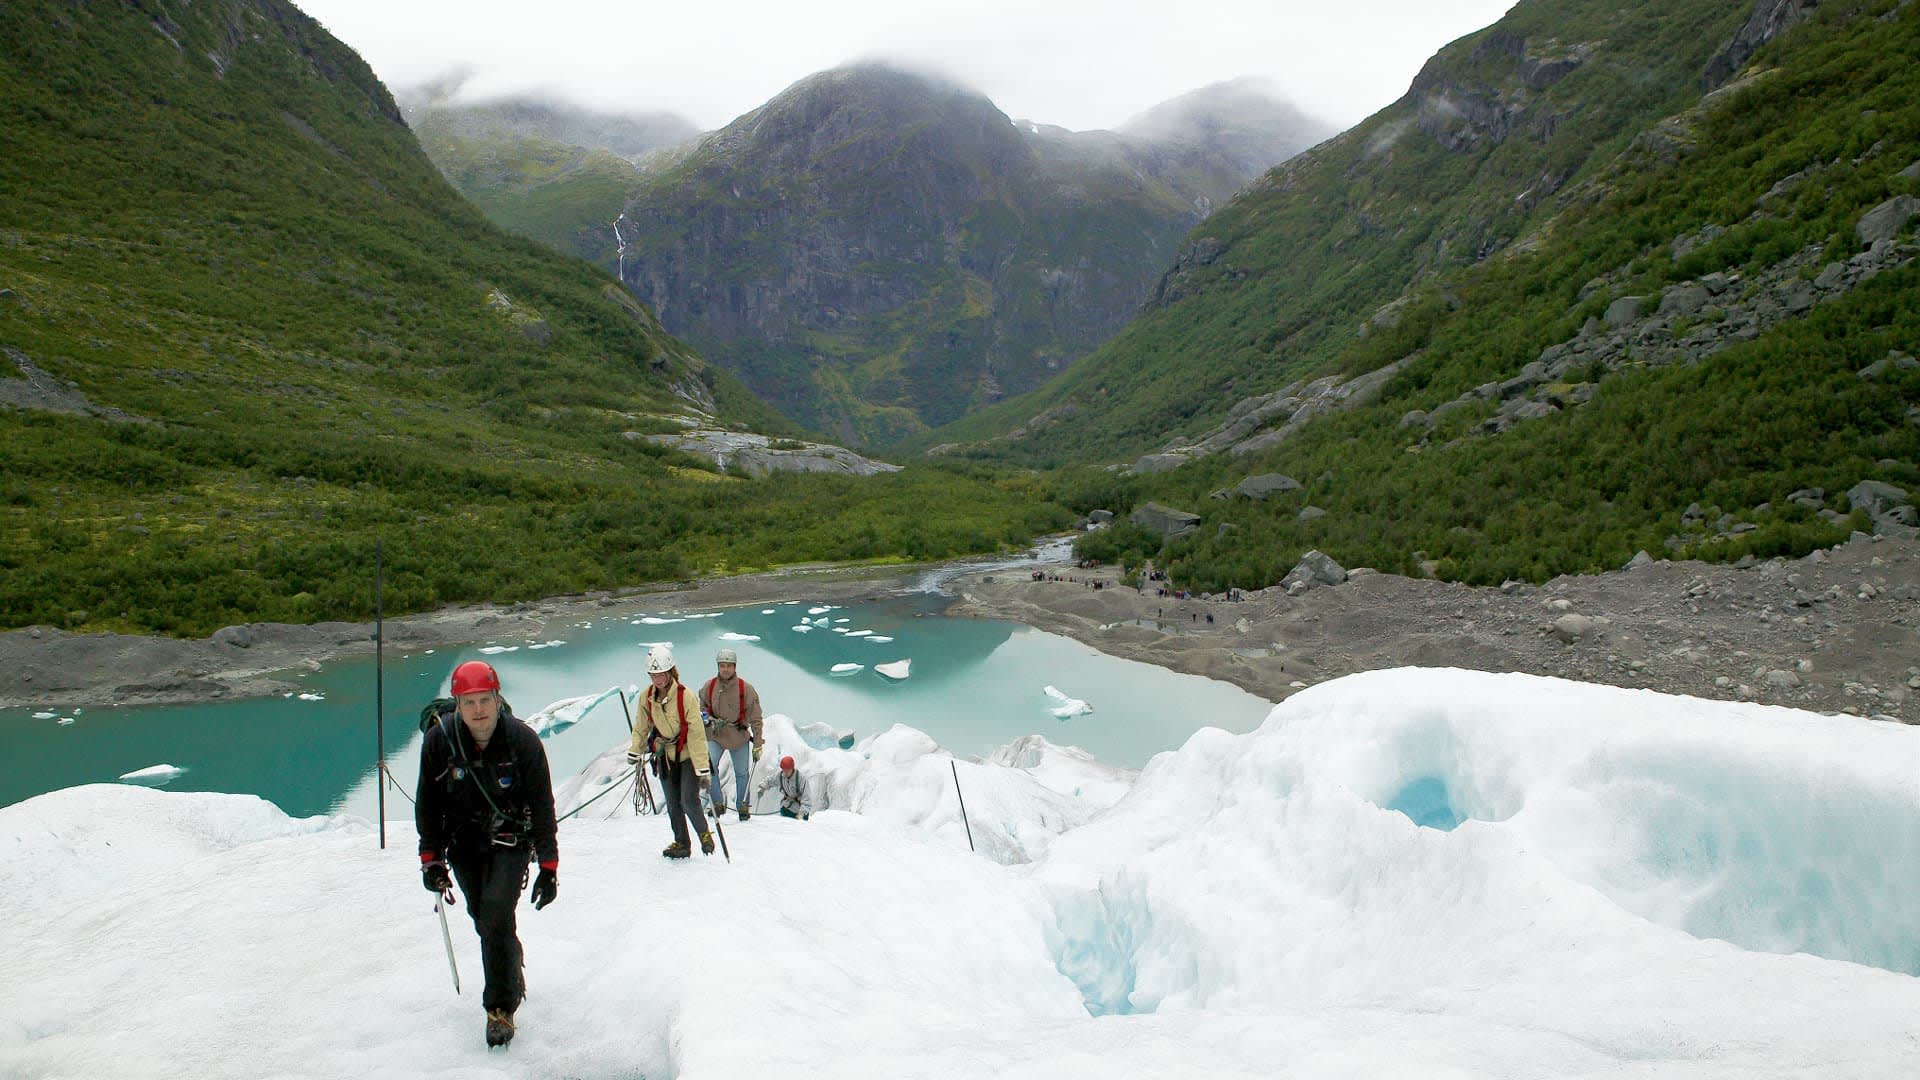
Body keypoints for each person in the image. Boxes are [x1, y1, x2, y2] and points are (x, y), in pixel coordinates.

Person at [415, 659, 558, 1049]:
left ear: (497, 699)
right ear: (457, 705)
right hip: (463, 846)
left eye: (484, 701)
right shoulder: (440, 742)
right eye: (469, 703)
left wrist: (548, 865)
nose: (478, 710)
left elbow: (542, 804)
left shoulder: (522, 741)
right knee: (485, 919)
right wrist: (431, 858)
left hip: (510, 842)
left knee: (495, 913)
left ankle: (500, 1009)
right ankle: (510, 964)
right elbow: (428, 803)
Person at [626, 644, 713, 858]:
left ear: (670, 671)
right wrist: (635, 750)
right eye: (653, 675)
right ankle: (682, 843)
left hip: (687, 757)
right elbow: (641, 726)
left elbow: (696, 734)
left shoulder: (686, 697)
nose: (657, 679)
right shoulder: (647, 697)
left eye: (661, 674)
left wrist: (702, 768)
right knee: (673, 803)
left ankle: (704, 836)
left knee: (688, 800)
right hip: (665, 757)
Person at [699, 646, 764, 821]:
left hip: (738, 736)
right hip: (716, 734)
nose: (725, 669)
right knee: (710, 767)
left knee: (741, 773)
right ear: (718, 667)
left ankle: (742, 806)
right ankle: (718, 804)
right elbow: (702, 707)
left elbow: (756, 718)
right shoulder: (709, 686)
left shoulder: (746, 689)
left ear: (735, 667)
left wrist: (757, 743)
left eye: (729, 665)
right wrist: (708, 718)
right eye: (722, 665)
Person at [776, 755, 809, 820]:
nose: (785, 772)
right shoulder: (781, 776)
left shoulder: (801, 779)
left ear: (792, 768)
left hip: (799, 811)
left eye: (787, 770)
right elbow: (771, 780)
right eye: (783, 769)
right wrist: (762, 787)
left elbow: (806, 798)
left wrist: (801, 814)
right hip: (786, 809)